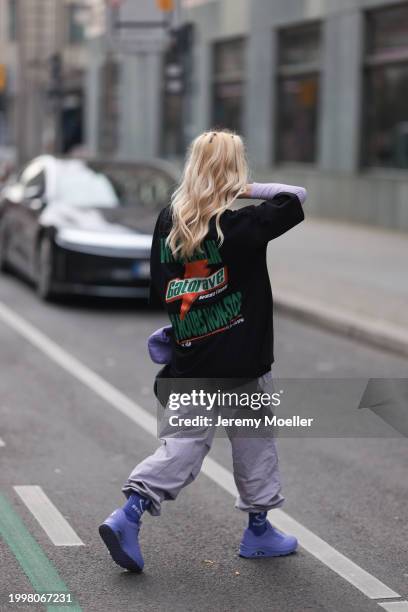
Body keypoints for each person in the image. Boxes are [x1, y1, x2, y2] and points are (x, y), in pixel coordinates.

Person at [99, 129, 307, 572]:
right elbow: (295, 197)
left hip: (190, 359)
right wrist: (244, 189)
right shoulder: (242, 226)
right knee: (254, 444)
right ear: (234, 171)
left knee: (183, 446)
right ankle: (258, 530)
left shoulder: (168, 223)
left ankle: (130, 511)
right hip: (243, 364)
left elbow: (162, 288)